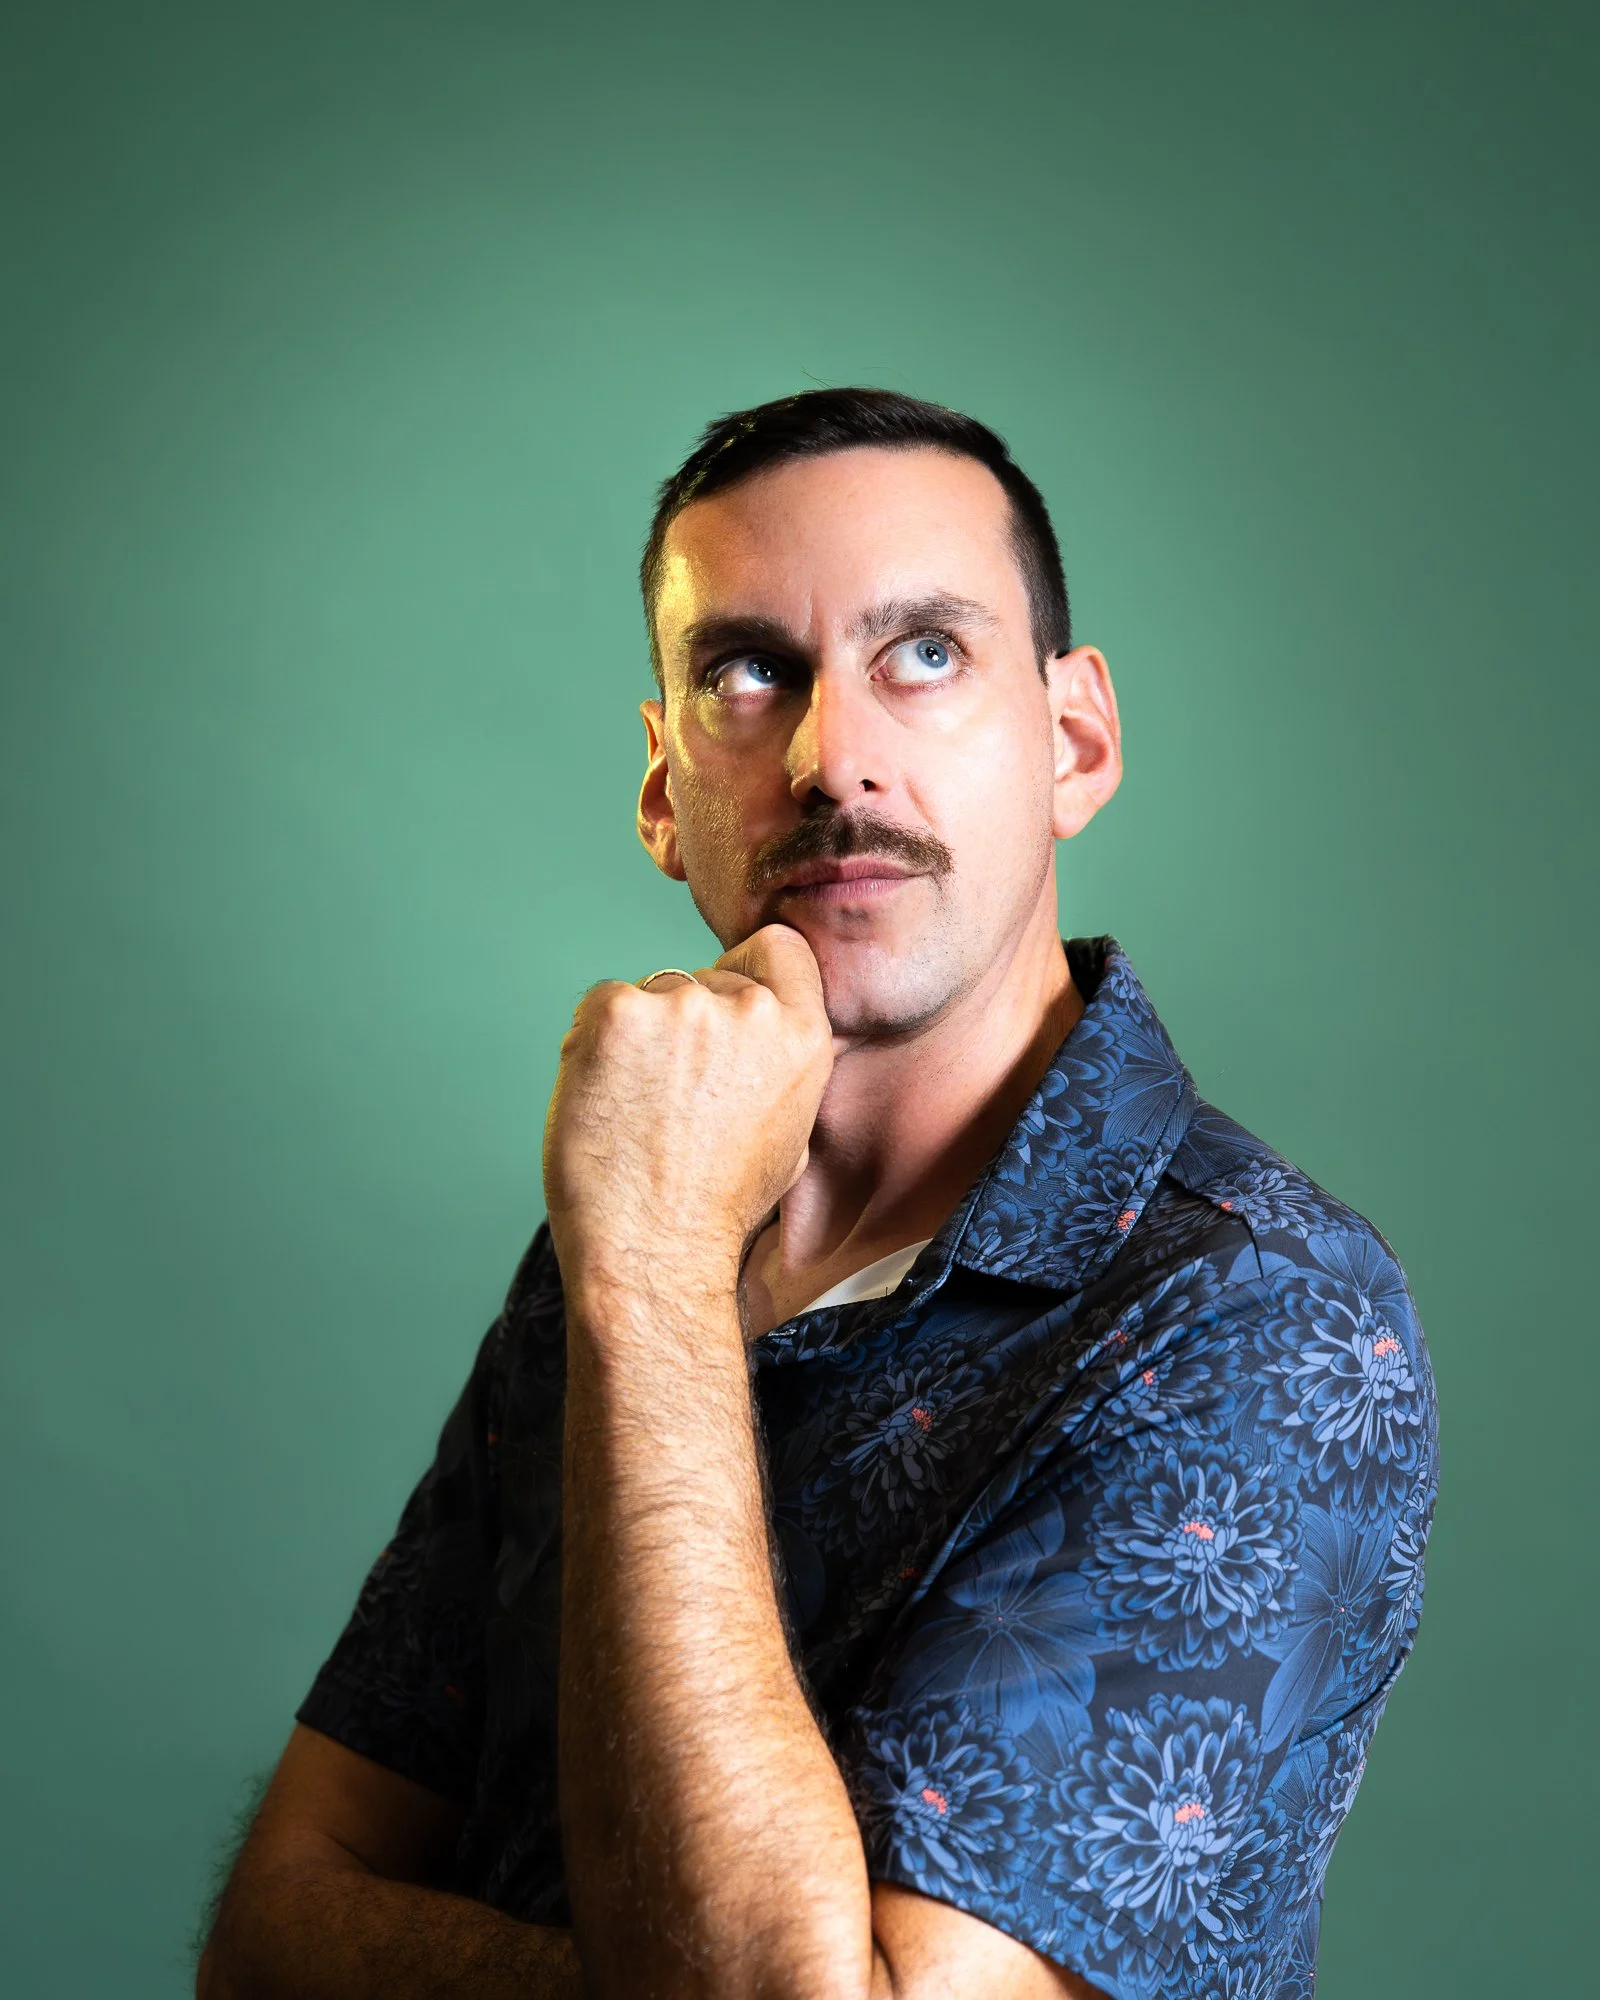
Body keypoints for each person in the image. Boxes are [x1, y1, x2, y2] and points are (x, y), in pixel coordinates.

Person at [198, 388, 1439, 2000]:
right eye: (743, 672)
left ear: (1073, 742)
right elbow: (271, 1929)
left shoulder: (1259, 1317)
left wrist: (639, 1278)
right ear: (661, 790)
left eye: (924, 652)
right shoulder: (654, 1214)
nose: (829, 755)